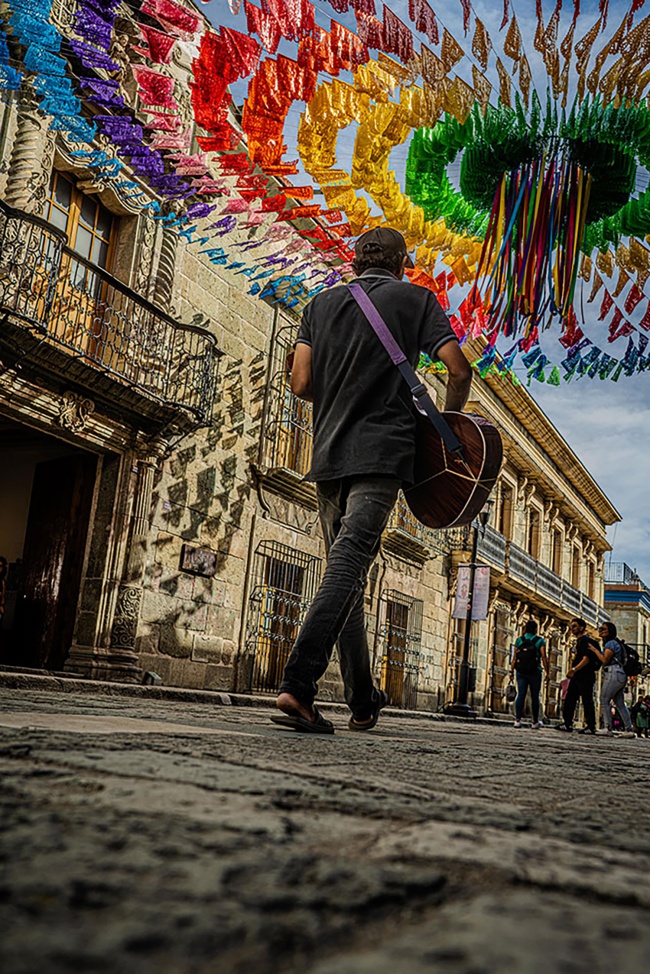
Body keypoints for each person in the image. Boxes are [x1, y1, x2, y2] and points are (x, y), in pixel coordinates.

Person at [272, 227, 472, 734]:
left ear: (355, 261)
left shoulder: (318, 306)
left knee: (348, 576)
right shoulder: (416, 299)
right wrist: (445, 429)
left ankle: (363, 698)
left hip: (329, 455)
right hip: (383, 454)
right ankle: (298, 684)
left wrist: (342, 393)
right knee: (347, 568)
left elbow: (300, 383)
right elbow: (458, 368)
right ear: (402, 263)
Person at [588, 622, 635, 737]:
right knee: (620, 703)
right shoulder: (616, 643)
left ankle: (607, 727)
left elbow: (605, 659)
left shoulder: (610, 644)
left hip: (613, 673)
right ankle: (629, 729)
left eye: (603, 629)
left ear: (610, 631)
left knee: (604, 699)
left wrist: (594, 650)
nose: (600, 630)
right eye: (600, 628)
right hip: (620, 674)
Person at [556, 617, 600, 734]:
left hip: (584, 675)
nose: (572, 629)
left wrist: (574, 669)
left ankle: (590, 726)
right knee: (571, 699)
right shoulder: (580, 641)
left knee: (586, 700)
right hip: (579, 676)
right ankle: (568, 723)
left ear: (581, 628)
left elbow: (586, 658)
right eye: (571, 626)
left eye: (574, 626)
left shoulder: (584, 641)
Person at [510, 619, 549, 729]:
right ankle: (535, 721)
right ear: (536, 629)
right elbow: (544, 656)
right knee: (534, 696)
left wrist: (511, 671)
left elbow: (514, 658)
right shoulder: (540, 641)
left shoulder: (519, 640)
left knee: (521, 694)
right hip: (535, 671)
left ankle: (517, 720)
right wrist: (547, 672)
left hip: (521, 671)